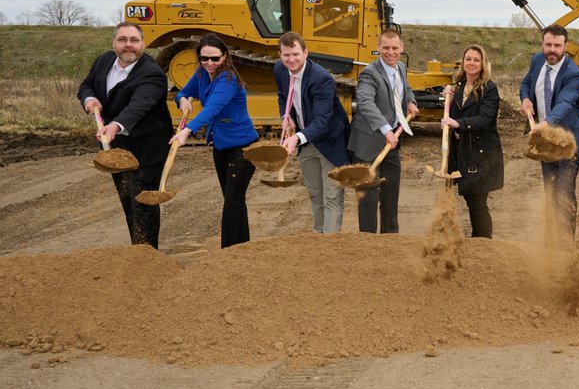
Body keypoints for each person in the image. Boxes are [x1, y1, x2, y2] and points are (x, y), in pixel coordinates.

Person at [77, 21, 174, 248]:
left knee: (143, 203)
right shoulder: (103, 61)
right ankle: (137, 252)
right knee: (127, 200)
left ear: (143, 43)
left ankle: (148, 257)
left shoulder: (153, 73)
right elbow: (86, 85)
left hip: (148, 149)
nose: (128, 46)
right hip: (117, 149)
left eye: (134, 40)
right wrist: (89, 99)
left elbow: (139, 105)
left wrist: (116, 125)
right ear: (114, 43)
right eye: (122, 40)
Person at [170, 33, 259, 247]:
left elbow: (212, 109)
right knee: (232, 200)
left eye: (214, 58)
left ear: (225, 56)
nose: (209, 63)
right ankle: (241, 247)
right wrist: (182, 99)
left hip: (242, 147)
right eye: (204, 58)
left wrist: (187, 131)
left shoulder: (228, 79)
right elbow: (183, 91)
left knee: (232, 201)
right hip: (221, 145)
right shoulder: (202, 73)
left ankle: (229, 251)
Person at [273, 31, 351, 233]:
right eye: (286, 55)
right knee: (315, 193)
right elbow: (283, 96)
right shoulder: (279, 70)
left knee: (332, 195)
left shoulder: (321, 78)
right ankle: (318, 237)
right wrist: (285, 116)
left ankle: (329, 243)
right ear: (279, 55)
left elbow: (323, 121)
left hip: (330, 142)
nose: (291, 60)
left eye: (296, 54)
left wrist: (296, 138)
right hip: (306, 141)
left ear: (305, 53)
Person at [519, 24, 579, 238]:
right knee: (550, 191)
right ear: (542, 44)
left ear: (566, 46)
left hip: (568, 142)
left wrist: (546, 123)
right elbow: (526, 82)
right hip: (545, 142)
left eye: (557, 46)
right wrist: (525, 99)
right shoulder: (537, 61)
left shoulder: (574, 75)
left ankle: (566, 245)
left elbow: (565, 103)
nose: (552, 50)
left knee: (563, 192)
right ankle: (551, 240)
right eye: (548, 44)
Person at [347, 29, 418, 234]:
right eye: (385, 48)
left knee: (390, 194)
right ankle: (368, 242)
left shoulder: (401, 68)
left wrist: (411, 101)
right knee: (368, 197)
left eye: (395, 48)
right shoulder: (370, 73)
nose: (390, 52)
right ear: (378, 48)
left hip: (392, 144)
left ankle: (390, 241)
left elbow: (406, 87)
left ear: (401, 48)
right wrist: (386, 129)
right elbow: (365, 102)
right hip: (368, 144)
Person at [444, 44, 504, 238]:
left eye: (476, 60)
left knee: (478, 202)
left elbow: (486, 120)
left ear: (483, 63)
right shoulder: (460, 86)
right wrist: (449, 101)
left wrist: (457, 123)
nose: (471, 63)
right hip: (463, 152)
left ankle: (483, 242)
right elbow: (455, 114)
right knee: (471, 200)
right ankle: (478, 238)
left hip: (481, 154)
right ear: (463, 62)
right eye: (468, 59)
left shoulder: (489, 88)